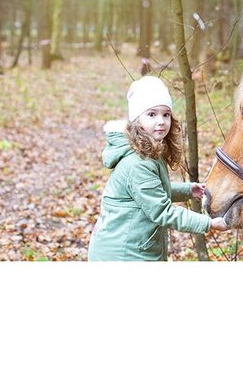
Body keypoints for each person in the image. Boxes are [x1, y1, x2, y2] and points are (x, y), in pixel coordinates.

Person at [88, 75, 228, 261]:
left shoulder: (149, 150)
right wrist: (208, 223)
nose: (161, 121)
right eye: (152, 114)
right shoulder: (138, 163)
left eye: (166, 114)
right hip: (122, 253)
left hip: (135, 247)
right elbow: (162, 211)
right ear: (136, 120)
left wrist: (188, 190)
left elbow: (151, 192)